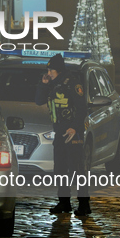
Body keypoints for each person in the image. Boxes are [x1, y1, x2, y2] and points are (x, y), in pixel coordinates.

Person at [35, 54, 90, 216]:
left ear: (59, 70)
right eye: (48, 69)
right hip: (59, 132)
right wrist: (43, 84)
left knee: (78, 169)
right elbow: (39, 101)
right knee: (60, 169)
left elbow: (82, 109)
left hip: (73, 133)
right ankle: (64, 202)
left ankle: (84, 204)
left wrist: (74, 128)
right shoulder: (52, 85)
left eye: (51, 70)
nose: (49, 72)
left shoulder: (72, 84)